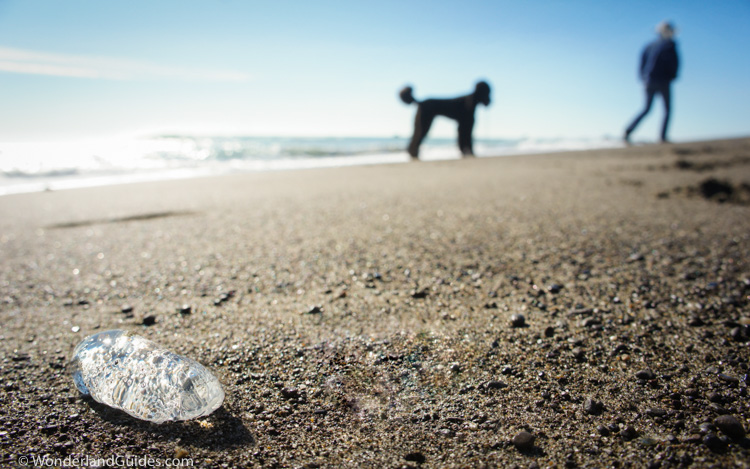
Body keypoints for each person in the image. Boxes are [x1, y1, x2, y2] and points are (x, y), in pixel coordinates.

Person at [399, 81, 491, 159]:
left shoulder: (470, 103)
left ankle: (413, 151)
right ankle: (412, 151)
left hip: (428, 105)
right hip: (428, 107)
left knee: (420, 131)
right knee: (421, 131)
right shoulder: (468, 104)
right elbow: (463, 131)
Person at [624, 21, 680, 144]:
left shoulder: (649, 45)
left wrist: (643, 78)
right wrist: (673, 76)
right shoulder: (669, 44)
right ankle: (662, 137)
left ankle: (628, 131)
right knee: (666, 109)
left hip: (649, 81)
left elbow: (641, 64)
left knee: (647, 108)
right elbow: (674, 63)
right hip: (662, 81)